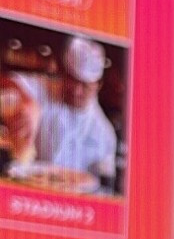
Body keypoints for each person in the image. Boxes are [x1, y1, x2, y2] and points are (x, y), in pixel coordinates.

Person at [10, 35, 119, 188]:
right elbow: (7, 80)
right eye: (71, 80)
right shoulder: (47, 88)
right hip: (29, 189)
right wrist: (26, 101)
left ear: (98, 85)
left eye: (84, 85)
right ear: (62, 73)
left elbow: (105, 185)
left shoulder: (104, 134)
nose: (76, 91)